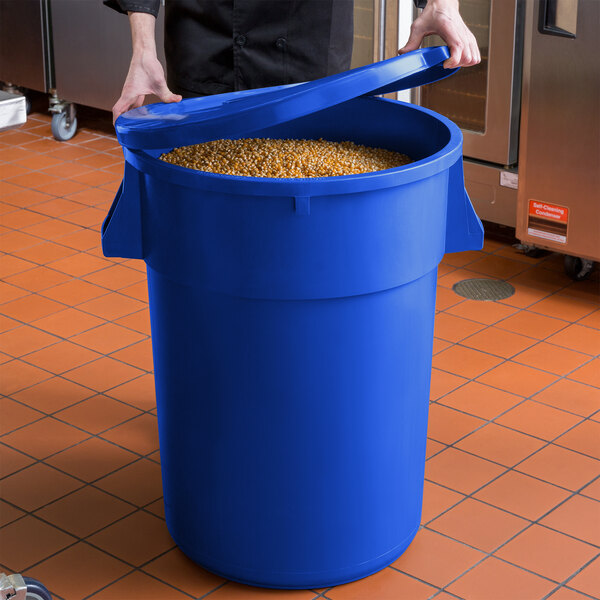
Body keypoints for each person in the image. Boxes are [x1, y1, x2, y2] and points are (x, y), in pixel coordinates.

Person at [105, 0, 480, 123]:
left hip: (308, 39)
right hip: (208, 36)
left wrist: (442, 4)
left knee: (305, 221)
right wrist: (142, 49)